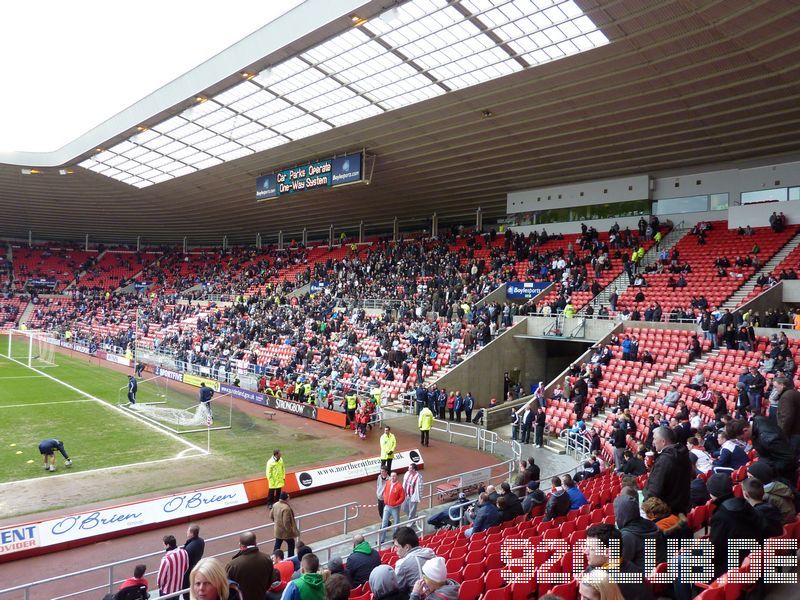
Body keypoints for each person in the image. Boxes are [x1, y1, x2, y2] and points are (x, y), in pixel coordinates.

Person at [707, 473, 764, 578]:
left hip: (730, 568)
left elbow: (714, 553)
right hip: (748, 560)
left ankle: (684, 594)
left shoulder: (720, 516)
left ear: (712, 493)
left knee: (680, 562)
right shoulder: (745, 504)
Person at [584, 524, 653, 600]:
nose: (585, 551)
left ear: (607, 552)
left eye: (590, 548)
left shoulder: (605, 583)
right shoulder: (629, 565)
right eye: (586, 546)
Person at [643, 426, 692, 515]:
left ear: (663, 441)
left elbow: (654, 490)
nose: (653, 442)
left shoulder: (664, 461)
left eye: (654, 439)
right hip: (680, 508)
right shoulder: (683, 455)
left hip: (666, 513)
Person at [613, 495, 664, 571]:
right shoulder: (650, 524)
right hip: (658, 574)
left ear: (620, 513)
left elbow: (619, 565)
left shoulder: (627, 535)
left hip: (642, 578)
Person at [226, 531, 274, 600]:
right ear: (256, 543)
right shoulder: (267, 559)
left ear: (241, 546)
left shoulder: (232, 565)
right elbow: (269, 582)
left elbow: (226, 588)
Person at [392, 526, 437, 593]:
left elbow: (397, 589)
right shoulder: (430, 552)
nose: (394, 550)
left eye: (396, 546)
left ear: (407, 547)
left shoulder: (401, 563)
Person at [380, 471, 406, 543]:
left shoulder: (399, 486)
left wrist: (396, 503)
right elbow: (385, 491)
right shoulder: (388, 483)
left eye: (394, 476)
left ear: (396, 477)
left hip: (395, 508)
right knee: (384, 522)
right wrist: (385, 499)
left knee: (396, 523)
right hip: (387, 506)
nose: (392, 477)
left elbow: (402, 497)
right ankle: (381, 539)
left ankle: (395, 539)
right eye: (391, 476)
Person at [271, 492, 299, 557]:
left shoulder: (275, 504)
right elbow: (286, 522)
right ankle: (290, 558)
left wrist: (276, 522)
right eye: (288, 497)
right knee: (291, 543)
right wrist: (290, 531)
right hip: (285, 532)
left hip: (278, 530)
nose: (289, 498)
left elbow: (271, 515)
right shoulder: (286, 508)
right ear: (286, 499)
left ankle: (273, 558)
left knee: (277, 544)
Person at [182, 524, 205, 600]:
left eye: (188, 531)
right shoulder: (201, 541)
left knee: (186, 591)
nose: (186, 532)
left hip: (189, 572)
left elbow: (185, 562)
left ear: (192, 533)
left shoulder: (188, 548)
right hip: (196, 567)